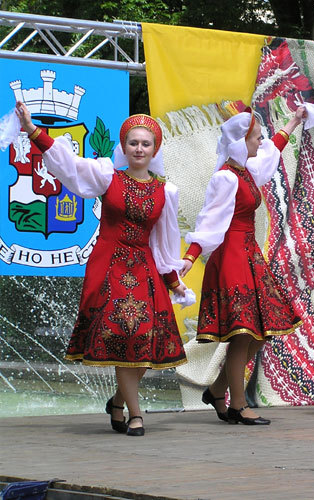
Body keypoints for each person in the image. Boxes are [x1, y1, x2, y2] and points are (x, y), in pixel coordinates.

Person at [15, 101, 188, 436]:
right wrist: (34, 130)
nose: (139, 148)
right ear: (124, 147)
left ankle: (118, 402)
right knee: (125, 334)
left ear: (155, 149)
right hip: (110, 264)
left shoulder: (166, 191)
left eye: (146, 143)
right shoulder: (107, 175)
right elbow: (69, 164)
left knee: (145, 342)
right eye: (133, 142)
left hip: (145, 270)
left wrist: (173, 280)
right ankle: (136, 415)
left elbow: (165, 242)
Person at [180, 103, 306, 425]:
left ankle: (218, 390)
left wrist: (293, 121)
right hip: (232, 256)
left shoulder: (245, 171)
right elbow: (210, 222)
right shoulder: (226, 178)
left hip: (248, 254)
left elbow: (272, 151)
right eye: (255, 138)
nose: (260, 143)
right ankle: (237, 404)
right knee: (243, 332)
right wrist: (191, 257)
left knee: (260, 332)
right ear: (241, 140)